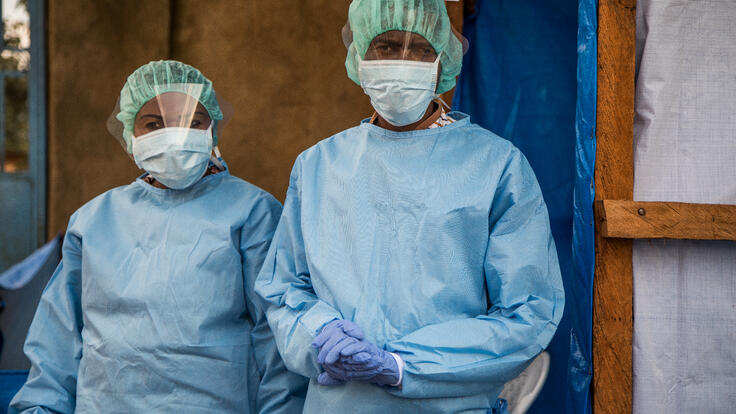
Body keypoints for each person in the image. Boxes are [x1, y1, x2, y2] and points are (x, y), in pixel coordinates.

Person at [254, 1, 565, 413]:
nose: (402, 60)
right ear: (358, 58)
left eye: (419, 48)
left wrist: (404, 366)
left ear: (442, 62)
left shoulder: (496, 166)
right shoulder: (318, 166)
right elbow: (283, 287)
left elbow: (529, 312)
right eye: (385, 46)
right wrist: (322, 332)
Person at [9, 60, 307, 413]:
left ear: (212, 129)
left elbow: (274, 339)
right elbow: (58, 340)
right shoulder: (92, 222)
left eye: (191, 122)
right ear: (130, 133)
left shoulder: (252, 211)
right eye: (154, 124)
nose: (176, 135)